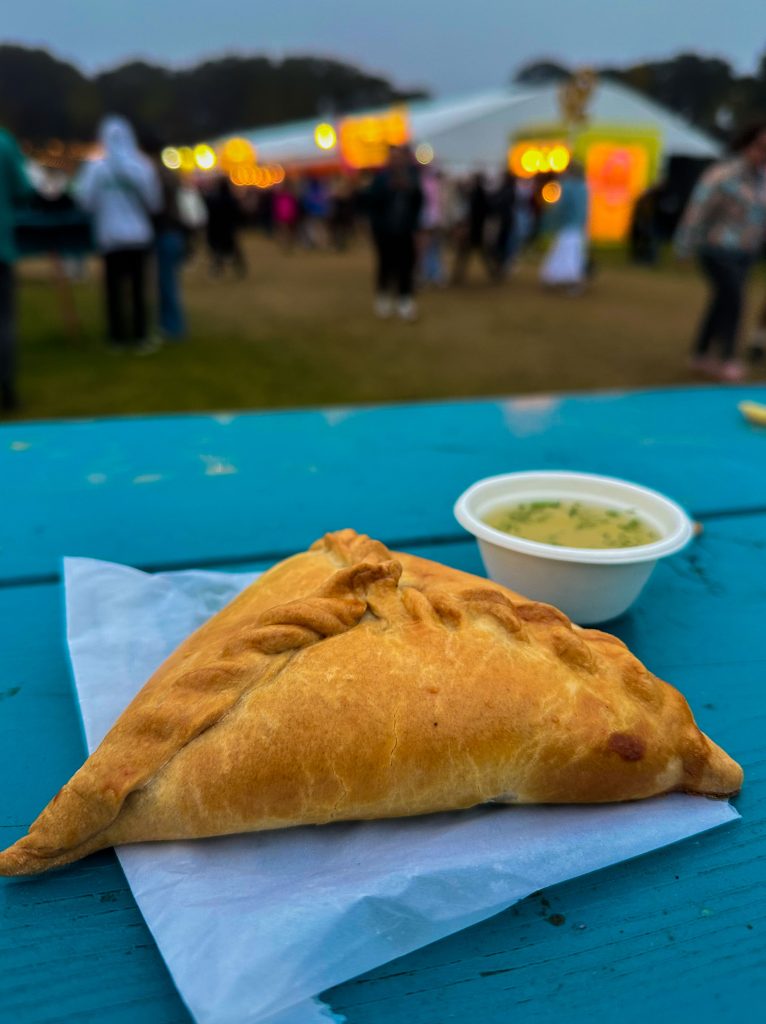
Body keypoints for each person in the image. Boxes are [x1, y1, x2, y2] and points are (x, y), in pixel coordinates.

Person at [674, 121, 766, 382]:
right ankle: (727, 358)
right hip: (717, 249)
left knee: (721, 300)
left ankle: (700, 353)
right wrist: (684, 246)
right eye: (761, 147)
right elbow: (697, 211)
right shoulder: (723, 175)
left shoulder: (762, 181)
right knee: (735, 299)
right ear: (747, 145)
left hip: (746, 252)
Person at [75, 115, 161, 351]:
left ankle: (117, 337)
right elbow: (154, 203)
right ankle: (141, 335)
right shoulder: (142, 166)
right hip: (138, 236)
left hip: (110, 236)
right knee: (138, 288)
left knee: (114, 290)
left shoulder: (95, 168)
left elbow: (84, 201)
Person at [364, 146, 423, 321]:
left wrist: (409, 188)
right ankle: (383, 296)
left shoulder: (411, 177)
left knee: (406, 265)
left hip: (405, 231)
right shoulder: (381, 180)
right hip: (385, 231)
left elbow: (418, 203)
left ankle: (405, 299)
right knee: (385, 264)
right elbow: (371, 202)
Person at [0, 124, 31, 411]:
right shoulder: (5, 143)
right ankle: (6, 388)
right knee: (4, 321)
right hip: (1, 248)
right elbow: (23, 188)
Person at [539, 163, 590, 294]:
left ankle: (571, 283)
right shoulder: (584, 187)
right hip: (578, 228)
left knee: (567, 256)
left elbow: (560, 207)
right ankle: (559, 281)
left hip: (568, 227)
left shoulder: (567, 187)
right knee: (572, 255)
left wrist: (549, 219)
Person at [451, 172, 491, 285]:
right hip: (475, 230)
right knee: (473, 254)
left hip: (473, 230)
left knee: (465, 254)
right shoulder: (479, 194)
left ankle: (457, 276)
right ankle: (457, 276)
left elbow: (475, 213)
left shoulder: (477, 194)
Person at [205, 176, 247, 276]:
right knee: (233, 251)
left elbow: (209, 216)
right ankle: (239, 269)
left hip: (216, 230)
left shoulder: (213, 200)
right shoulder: (231, 199)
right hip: (228, 230)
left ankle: (217, 270)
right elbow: (238, 215)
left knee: (218, 252)